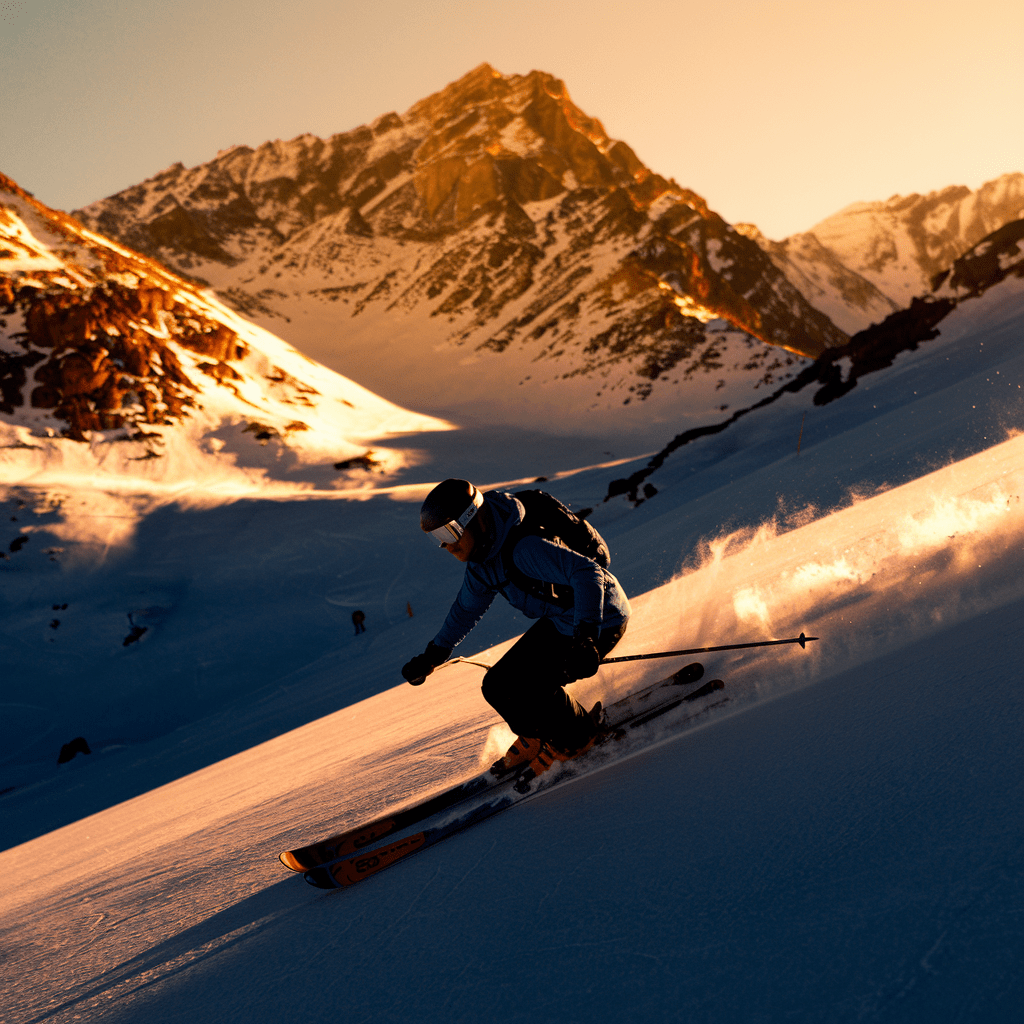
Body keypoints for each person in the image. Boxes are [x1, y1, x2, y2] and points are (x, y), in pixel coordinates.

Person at [401, 478, 631, 779]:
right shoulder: (483, 561)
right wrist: (434, 653)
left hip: (601, 618)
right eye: (436, 538)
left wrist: (586, 637)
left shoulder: (523, 548)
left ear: (474, 520)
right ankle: (540, 734)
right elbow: (466, 609)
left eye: (449, 532)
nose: (446, 545)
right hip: (564, 621)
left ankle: (578, 738)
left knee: (527, 688)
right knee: (497, 685)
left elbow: (589, 574)